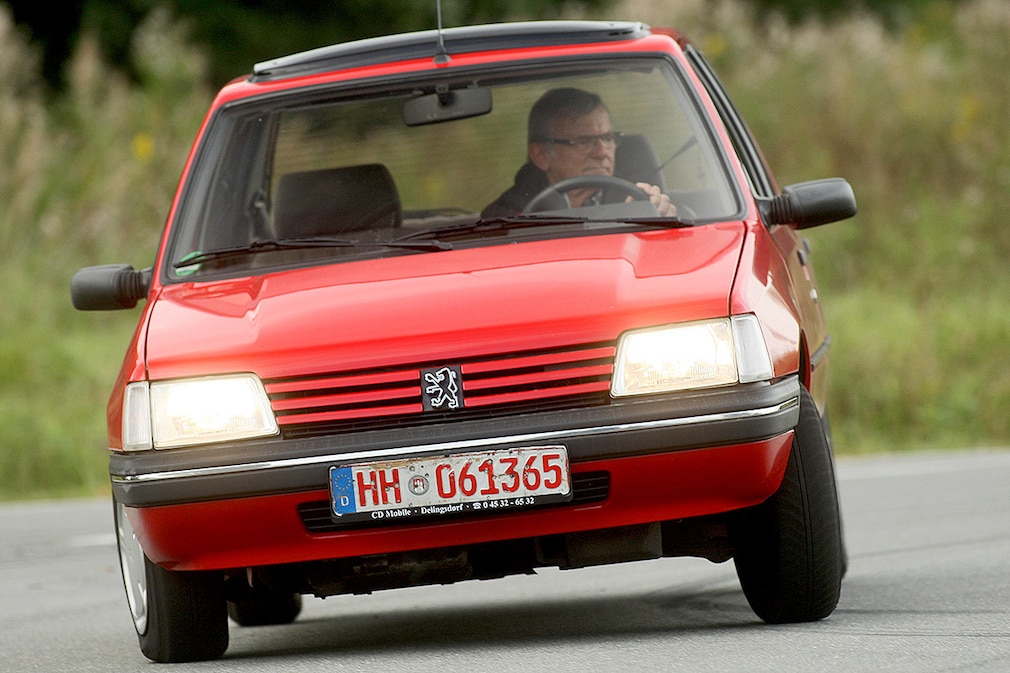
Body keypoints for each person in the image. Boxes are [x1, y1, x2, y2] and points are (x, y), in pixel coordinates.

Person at [482, 88, 676, 218]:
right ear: (541, 155)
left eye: (608, 138)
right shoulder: (507, 217)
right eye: (584, 142)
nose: (602, 152)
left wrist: (665, 219)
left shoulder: (639, 199)